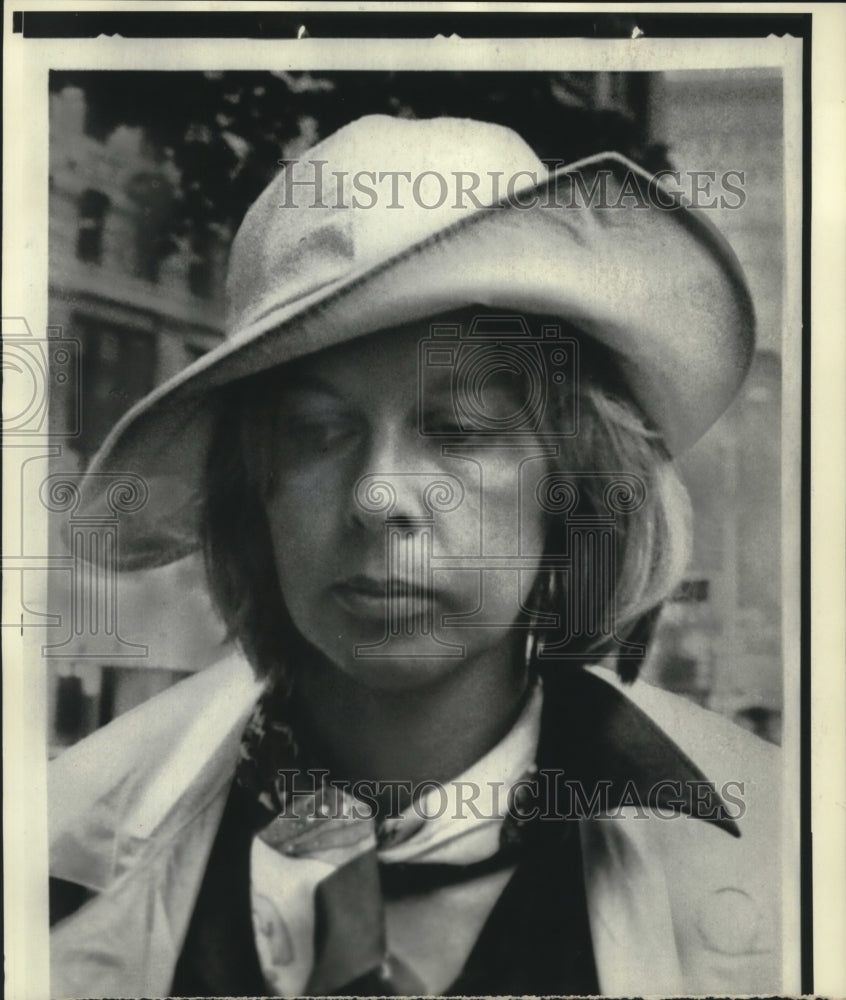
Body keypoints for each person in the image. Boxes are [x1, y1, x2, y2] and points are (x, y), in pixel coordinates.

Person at [48, 115, 782, 997]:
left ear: (574, 482)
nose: (377, 495)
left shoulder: (786, 846)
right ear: (253, 491)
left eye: (458, 429)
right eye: (317, 432)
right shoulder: (55, 841)